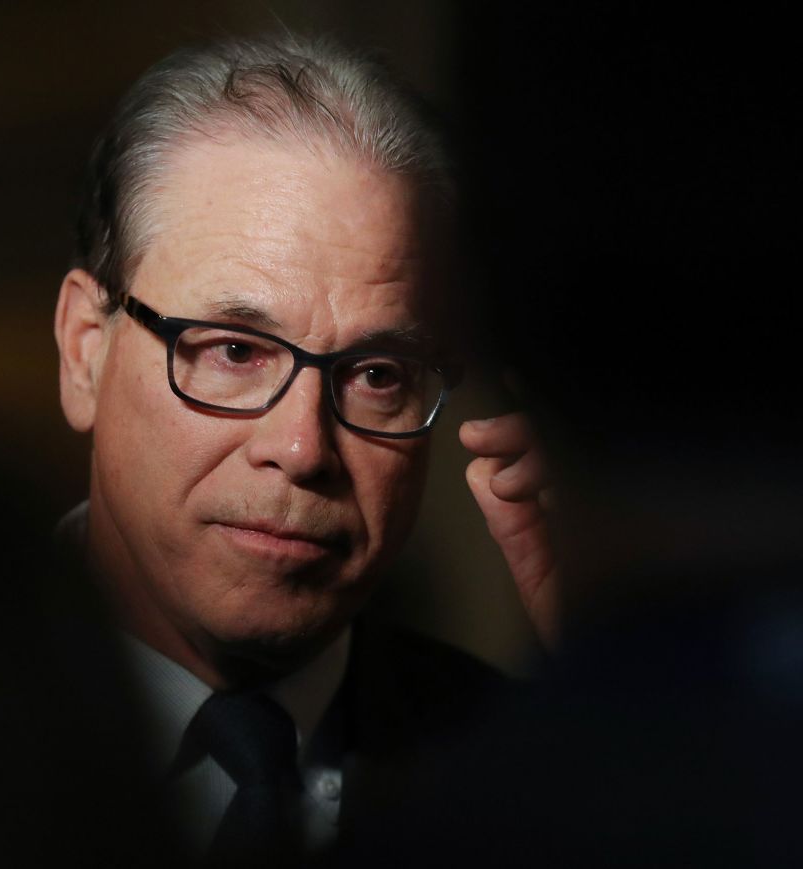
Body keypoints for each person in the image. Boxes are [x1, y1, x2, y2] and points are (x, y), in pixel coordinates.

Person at [51, 33, 535, 865]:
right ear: (85, 350)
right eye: (235, 350)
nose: (305, 446)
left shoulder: (530, 769)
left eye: (377, 373)